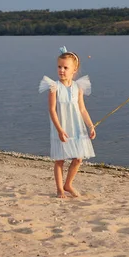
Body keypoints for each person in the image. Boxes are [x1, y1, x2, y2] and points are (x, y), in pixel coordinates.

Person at [39, 46, 96, 198]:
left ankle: (68, 184)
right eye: (59, 67)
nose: (61, 70)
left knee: (78, 158)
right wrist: (59, 130)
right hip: (61, 127)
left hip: (77, 127)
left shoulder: (78, 87)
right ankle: (59, 189)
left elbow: (82, 109)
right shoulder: (54, 87)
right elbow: (52, 110)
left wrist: (90, 126)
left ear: (74, 70)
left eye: (65, 67)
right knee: (60, 159)